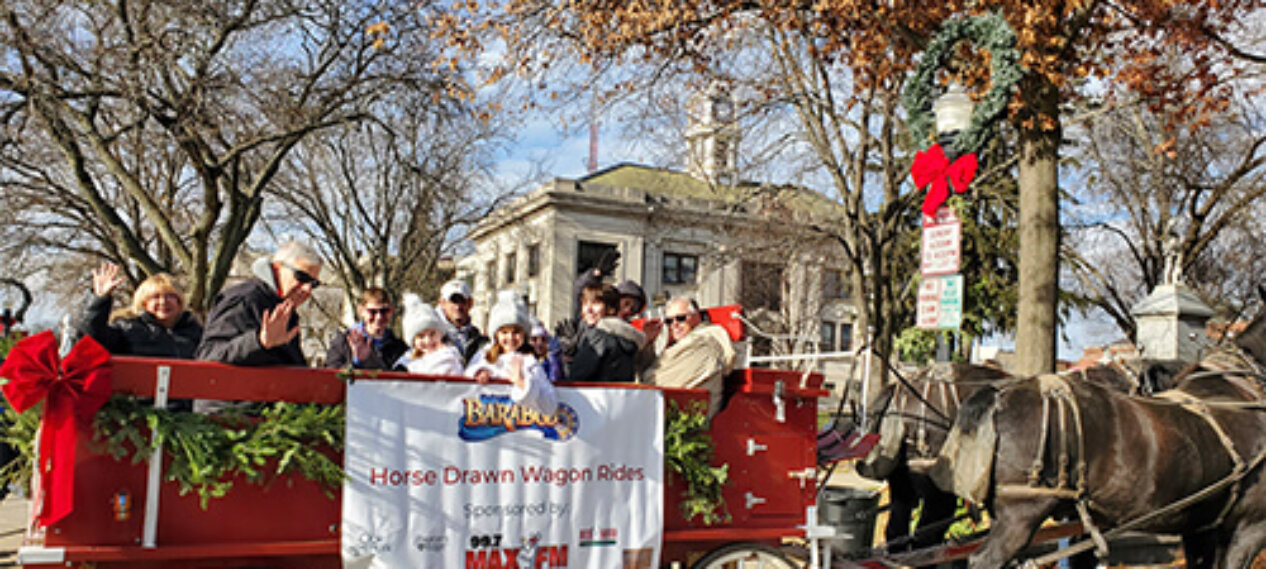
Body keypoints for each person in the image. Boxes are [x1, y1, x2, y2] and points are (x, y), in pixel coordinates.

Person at [196, 241, 322, 366]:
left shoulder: (285, 311)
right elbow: (209, 355)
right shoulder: (244, 300)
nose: (307, 289)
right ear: (277, 268)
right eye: (302, 277)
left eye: (314, 284)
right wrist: (259, 341)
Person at [74, 263, 204, 359]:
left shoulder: (198, 333)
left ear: (179, 302)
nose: (163, 302)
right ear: (144, 303)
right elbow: (90, 339)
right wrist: (98, 300)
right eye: (155, 297)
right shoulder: (128, 330)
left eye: (170, 296)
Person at [465, 291, 557, 417]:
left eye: (516, 332)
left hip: (518, 424)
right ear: (496, 335)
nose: (511, 337)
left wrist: (522, 383)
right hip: (485, 419)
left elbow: (549, 405)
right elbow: (465, 380)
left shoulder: (529, 361)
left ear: (524, 334)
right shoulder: (484, 356)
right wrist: (478, 373)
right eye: (504, 332)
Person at [641, 296, 736, 418]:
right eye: (669, 321)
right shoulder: (678, 347)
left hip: (694, 422)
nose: (675, 325)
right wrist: (648, 343)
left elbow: (652, 383)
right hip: (676, 415)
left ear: (697, 317)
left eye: (681, 318)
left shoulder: (702, 345)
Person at [568, 284, 646, 382]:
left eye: (595, 303)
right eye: (585, 303)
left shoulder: (598, 336)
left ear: (611, 309)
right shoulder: (627, 338)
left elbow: (577, 377)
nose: (588, 309)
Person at [324, 288, 408, 370]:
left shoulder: (400, 348)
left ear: (391, 311)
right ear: (361, 311)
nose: (379, 317)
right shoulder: (344, 343)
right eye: (372, 312)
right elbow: (331, 374)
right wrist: (357, 362)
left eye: (384, 311)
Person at [396, 293, 463, 375]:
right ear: (413, 342)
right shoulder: (409, 359)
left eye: (432, 334)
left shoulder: (447, 356)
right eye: (421, 336)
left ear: (440, 334)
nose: (428, 340)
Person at [436, 279, 488, 365]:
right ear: (442, 303)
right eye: (453, 301)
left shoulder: (482, 343)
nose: (458, 307)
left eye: (462, 301)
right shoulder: (434, 340)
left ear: (470, 303)